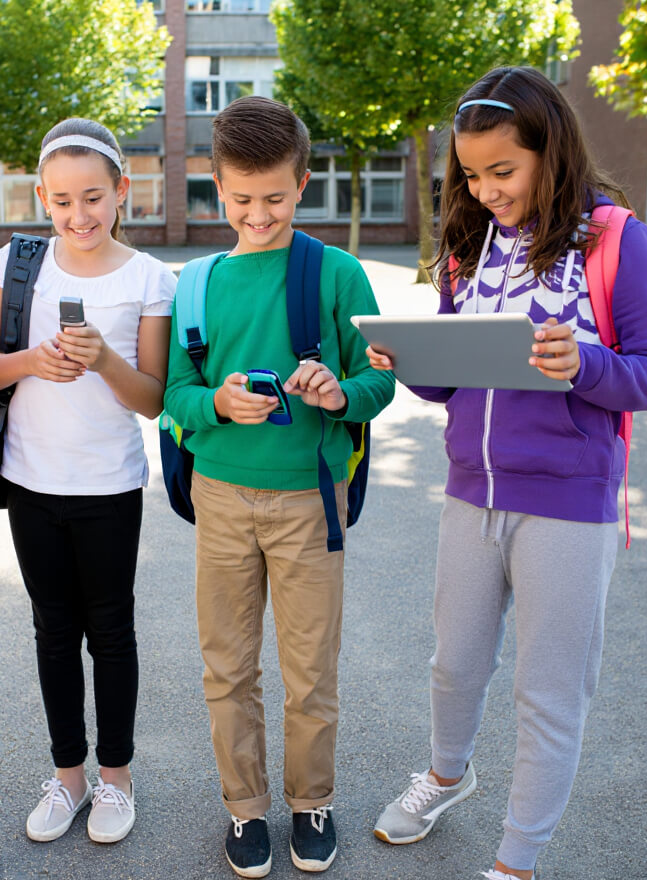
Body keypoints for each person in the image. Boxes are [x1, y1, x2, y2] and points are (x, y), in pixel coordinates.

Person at [368, 66, 647, 880]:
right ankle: (446, 776)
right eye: (469, 175)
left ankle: (518, 862)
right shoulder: (466, 246)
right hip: (471, 492)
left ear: (552, 152)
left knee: (548, 693)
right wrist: (407, 359)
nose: (483, 191)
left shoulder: (618, 240)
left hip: (570, 505)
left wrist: (583, 363)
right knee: (454, 663)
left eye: (501, 171)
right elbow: (451, 383)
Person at [163, 96, 396, 878]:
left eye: (274, 196)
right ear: (216, 188)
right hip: (220, 499)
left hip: (310, 501)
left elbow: (379, 383)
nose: (257, 213)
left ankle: (311, 802)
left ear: (302, 184)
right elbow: (174, 397)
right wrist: (217, 403)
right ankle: (244, 810)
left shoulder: (337, 272)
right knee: (226, 668)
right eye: (240, 197)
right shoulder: (195, 283)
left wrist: (339, 393)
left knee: (310, 670)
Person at [0, 118, 174, 846]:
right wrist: (34, 361)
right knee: (53, 632)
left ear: (122, 191)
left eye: (93, 197)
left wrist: (103, 362)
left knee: (111, 632)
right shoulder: (16, 263)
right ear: (41, 198)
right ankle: (69, 778)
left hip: (110, 486)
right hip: (30, 481)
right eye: (61, 201)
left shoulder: (151, 278)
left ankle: (115, 779)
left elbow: (152, 397)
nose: (78, 216)